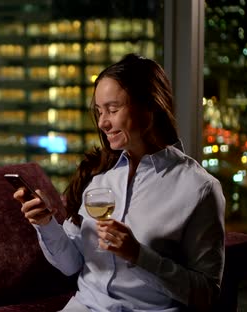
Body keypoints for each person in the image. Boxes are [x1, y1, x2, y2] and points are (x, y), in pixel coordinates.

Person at [13, 53, 226, 312]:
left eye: (113, 110)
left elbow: (206, 294)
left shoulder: (199, 188)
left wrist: (138, 255)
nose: (102, 122)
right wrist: (46, 223)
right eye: (99, 112)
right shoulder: (99, 174)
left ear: (151, 107)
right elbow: (70, 264)